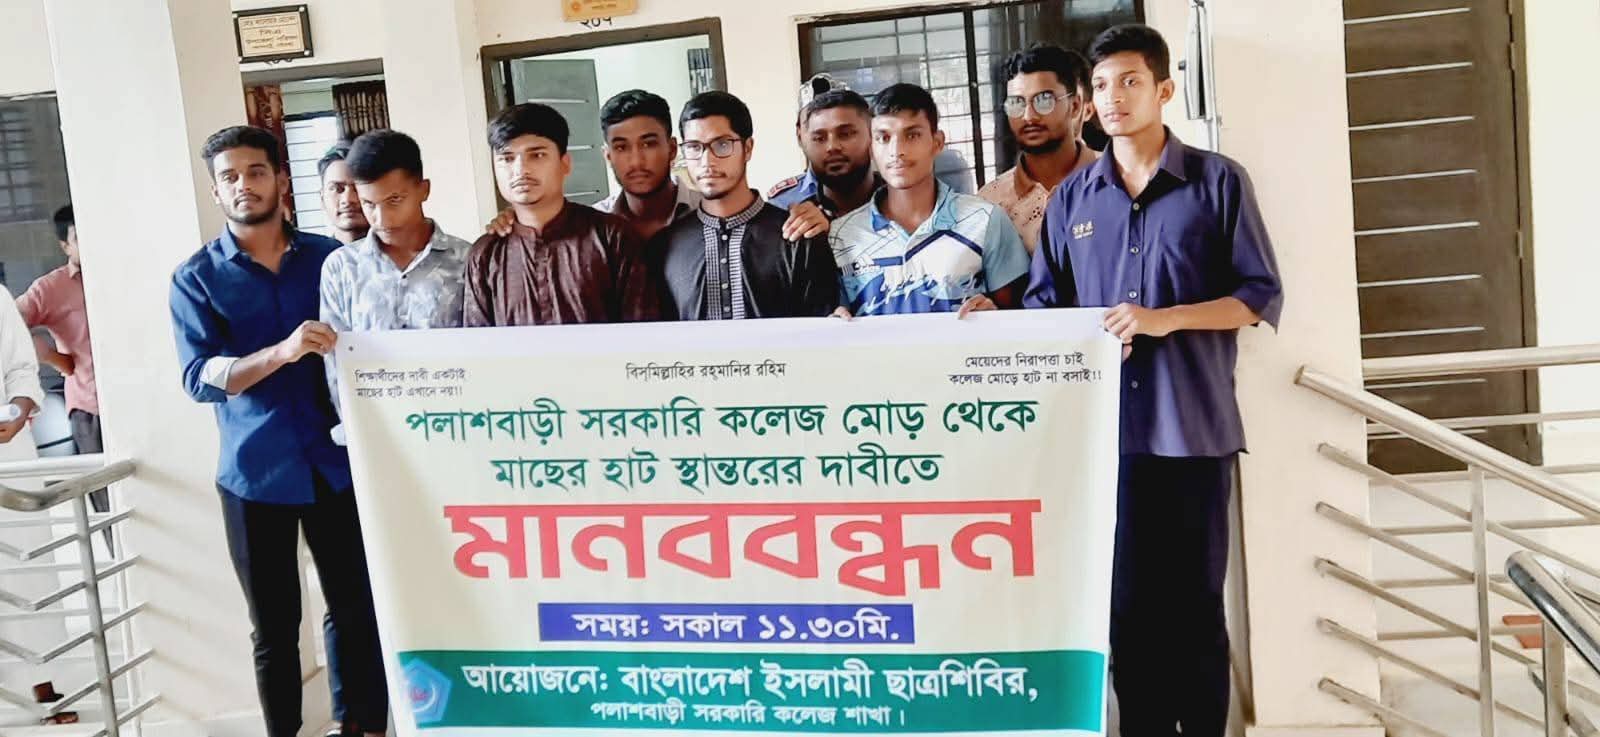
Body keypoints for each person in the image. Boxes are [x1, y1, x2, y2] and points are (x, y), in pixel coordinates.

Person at [1022, 25, 1283, 737]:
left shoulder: (1218, 182)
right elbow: (1045, 310)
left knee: (1196, 609)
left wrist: (1164, 320)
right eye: (1102, 86)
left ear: (1163, 89)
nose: (1114, 98)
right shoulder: (1073, 201)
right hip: (1106, 444)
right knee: (1126, 611)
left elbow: (1256, 296)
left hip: (1193, 431)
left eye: (1130, 81)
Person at [168, 126, 388, 737]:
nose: (244, 184)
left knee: (356, 609)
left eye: (256, 171)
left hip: (337, 464)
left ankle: (361, 727)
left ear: (281, 180)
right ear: (216, 191)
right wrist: (282, 353)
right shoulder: (195, 278)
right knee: (274, 627)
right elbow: (199, 378)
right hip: (253, 474)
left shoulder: (330, 259)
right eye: (230, 176)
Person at [828, 83, 1030, 317]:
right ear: (871, 148)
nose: (897, 150)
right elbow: (834, 318)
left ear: (937, 142)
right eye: (883, 138)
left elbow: (1020, 315)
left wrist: (994, 313)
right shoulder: (841, 235)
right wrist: (832, 323)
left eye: (912, 135)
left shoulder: (985, 220)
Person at [320, 129, 470, 443]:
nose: (382, 218)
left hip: (455, 430)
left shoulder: (467, 260)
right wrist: (358, 433)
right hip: (375, 438)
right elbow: (336, 364)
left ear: (423, 190)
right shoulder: (342, 268)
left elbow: (481, 352)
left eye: (394, 201)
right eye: (368, 204)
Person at [464, 103, 658, 326]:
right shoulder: (486, 254)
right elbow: (478, 342)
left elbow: (643, 331)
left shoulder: (611, 237)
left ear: (565, 164)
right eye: (507, 158)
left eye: (537, 155)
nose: (521, 170)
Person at [655, 91, 839, 320]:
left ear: (748, 148)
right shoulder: (665, 247)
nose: (707, 161)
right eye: (694, 147)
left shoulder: (797, 237)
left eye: (722, 145)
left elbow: (821, 331)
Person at [17, 206, 105, 520]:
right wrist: (52, 358)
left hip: (139, 398)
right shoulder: (51, 288)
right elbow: (8, 326)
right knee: (108, 502)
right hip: (91, 408)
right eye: (80, 237)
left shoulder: (122, 273)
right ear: (65, 246)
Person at [978, 45, 1098, 252]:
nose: (1028, 116)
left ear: (1076, 106)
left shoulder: (1118, 178)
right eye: (1016, 103)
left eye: (1044, 100)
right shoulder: (989, 203)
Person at [768, 87, 879, 221]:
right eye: (819, 138)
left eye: (845, 134)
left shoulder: (896, 198)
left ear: (873, 134)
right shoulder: (785, 209)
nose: (832, 147)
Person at [317, 143, 370, 245]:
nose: (348, 199)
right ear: (322, 199)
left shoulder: (400, 252)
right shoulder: (314, 254)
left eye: (358, 188)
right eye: (337, 189)